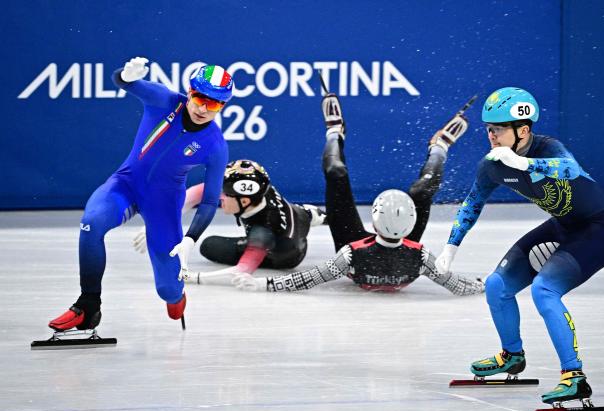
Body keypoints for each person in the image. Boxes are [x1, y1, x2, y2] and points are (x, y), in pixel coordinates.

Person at [434, 87, 604, 405]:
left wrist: (525, 166)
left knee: (544, 290)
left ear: (523, 130)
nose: (491, 136)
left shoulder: (549, 147)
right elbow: (472, 203)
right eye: (488, 129)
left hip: (601, 229)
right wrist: (450, 247)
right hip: (564, 227)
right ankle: (512, 355)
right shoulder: (492, 165)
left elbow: (571, 170)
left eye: (498, 129)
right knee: (497, 285)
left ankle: (574, 377)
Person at [231, 92, 485, 296]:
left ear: (374, 221)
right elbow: (457, 285)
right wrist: (487, 284)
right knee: (422, 191)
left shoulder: (351, 253)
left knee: (337, 174)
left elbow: (308, 279)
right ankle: (439, 148)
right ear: (410, 227)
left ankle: (334, 132)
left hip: (355, 251)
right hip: (392, 252)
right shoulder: (420, 256)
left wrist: (266, 285)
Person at [48, 57, 233, 331]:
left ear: (222, 107)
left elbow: (209, 201)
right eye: (199, 98)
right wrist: (125, 75)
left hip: (164, 203)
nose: (203, 109)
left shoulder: (216, 145)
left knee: (168, 291)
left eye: (214, 104)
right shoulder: (164, 100)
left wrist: (190, 239)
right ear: (189, 92)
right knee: (91, 223)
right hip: (125, 184)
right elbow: (123, 81)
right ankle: (87, 306)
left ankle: (176, 294)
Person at [133, 160, 327, 284]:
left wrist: (192, 277)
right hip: (302, 215)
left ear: (244, 201)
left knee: (209, 246)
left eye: (225, 195)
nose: (220, 197)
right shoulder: (256, 193)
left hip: (285, 256)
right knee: (309, 214)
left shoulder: (263, 232)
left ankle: (259, 254)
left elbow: (240, 273)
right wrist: (156, 223)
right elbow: (194, 194)